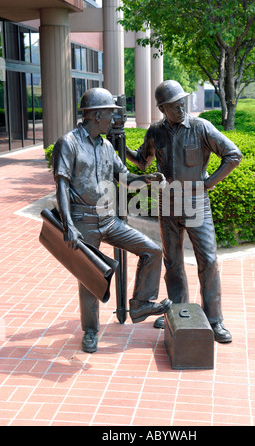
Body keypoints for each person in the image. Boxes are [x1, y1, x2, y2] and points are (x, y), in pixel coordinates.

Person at [52, 87, 172, 353]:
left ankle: (140, 304)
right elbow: (61, 185)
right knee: (89, 277)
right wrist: (68, 225)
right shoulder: (68, 143)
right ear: (95, 116)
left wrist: (149, 180)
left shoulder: (107, 146)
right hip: (82, 221)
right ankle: (91, 331)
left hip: (108, 219)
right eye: (110, 115)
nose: (115, 121)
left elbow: (124, 178)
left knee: (152, 250)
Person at [126, 80, 243, 343]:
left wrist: (208, 183)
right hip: (167, 205)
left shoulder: (201, 127)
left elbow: (233, 154)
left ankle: (215, 321)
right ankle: (178, 311)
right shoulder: (156, 132)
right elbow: (143, 161)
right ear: (162, 109)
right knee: (173, 262)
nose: (181, 108)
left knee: (208, 261)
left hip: (195, 202)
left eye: (182, 103)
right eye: (174, 106)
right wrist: (118, 145)